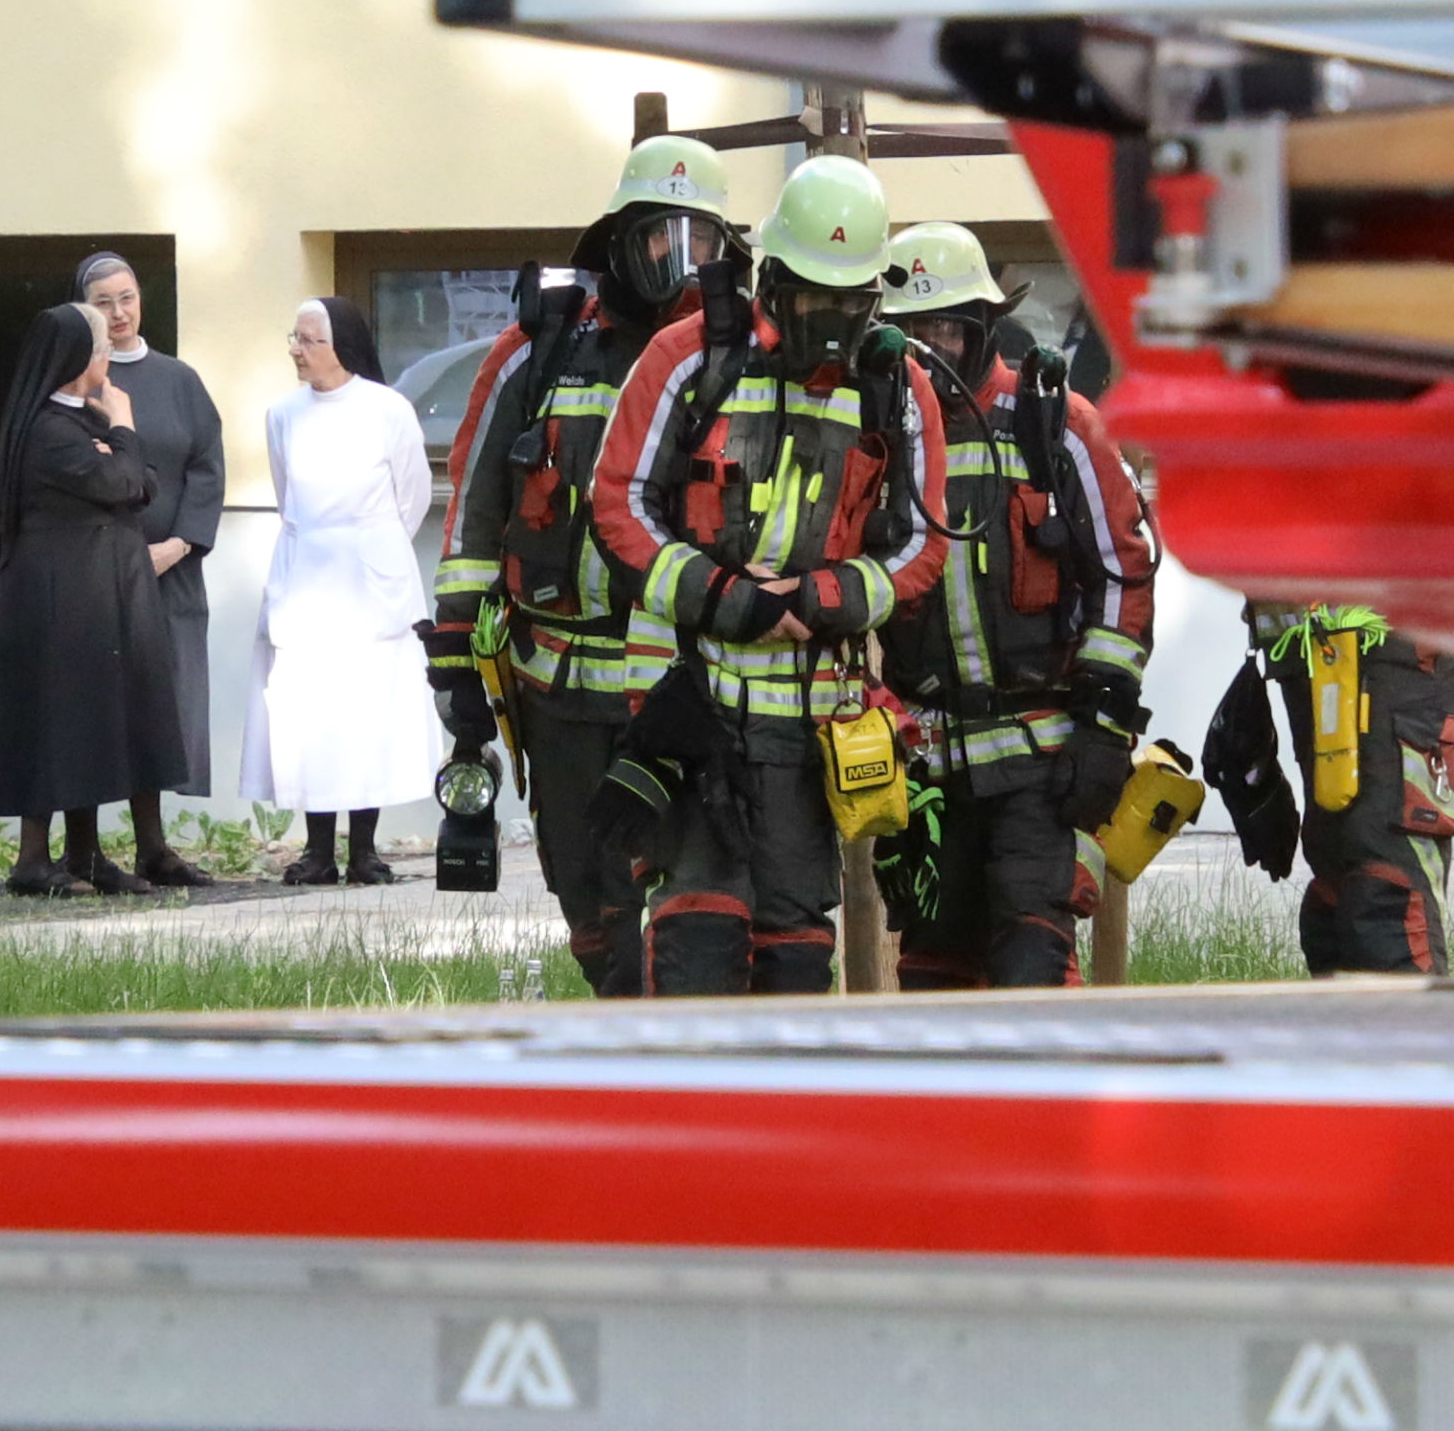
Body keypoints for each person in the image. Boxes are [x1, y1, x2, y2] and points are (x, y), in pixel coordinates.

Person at [589, 156, 948, 995]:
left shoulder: (898, 388)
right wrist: (728, 599)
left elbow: (924, 546)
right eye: (815, 300)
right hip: (692, 706)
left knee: (795, 959)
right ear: (773, 278)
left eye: (850, 304)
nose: (833, 325)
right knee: (697, 947)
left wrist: (824, 597)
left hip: (810, 728)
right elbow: (617, 505)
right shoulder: (688, 357)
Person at [426, 134, 735, 993]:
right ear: (619, 240)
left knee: (687, 905)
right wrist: (456, 661)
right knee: (590, 905)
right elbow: (475, 512)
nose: (679, 261)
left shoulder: (734, 356)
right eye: (659, 236)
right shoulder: (540, 350)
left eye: (701, 240)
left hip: (685, 687)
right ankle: (621, 1025)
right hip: (557, 689)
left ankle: (674, 1050)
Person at [872, 225, 1158, 989]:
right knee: (933, 980)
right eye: (914, 331)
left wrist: (1104, 726)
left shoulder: (1057, 425)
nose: (931, 348)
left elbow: (1122, 574)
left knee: (1034, 967)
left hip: (1042, 765)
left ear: (983, 324)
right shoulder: (880, 436)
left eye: (947, 327)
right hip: (928, 770)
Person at [0, 303, 184, 895]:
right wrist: (124, 429)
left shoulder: (81, 419)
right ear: (75, 359)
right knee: (53, 721)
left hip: (89, 591)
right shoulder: (49, 430)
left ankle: (85, 854)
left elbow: (143, 482)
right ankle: (32, 862)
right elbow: (122, 480)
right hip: (56, 597)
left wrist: (118, 451)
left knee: (85, 721)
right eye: (99, 349)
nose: (108, 358)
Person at [241, 296, 443, 882]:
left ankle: (364, 850)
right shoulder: (283, 414)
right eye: (295, 338)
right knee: (311, 713)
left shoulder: (388, 409)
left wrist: (370, 548)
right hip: (305, 578)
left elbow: (412, 496)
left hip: (371, 581)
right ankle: (317, 851)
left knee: (367, 712)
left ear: (342, 347)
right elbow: (286, 492)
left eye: (309, 340)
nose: (296, 351)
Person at [1206, 597, 1454, 973]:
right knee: (1345, 888)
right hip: (1328, 646)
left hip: (1381, 649)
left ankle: (1399, 1011)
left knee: (1378, 888)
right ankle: (1365, 1011)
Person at [77, 252, 227, 887]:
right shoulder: (79, 380)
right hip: (97, 571)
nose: (118, 313)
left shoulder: (179, 379)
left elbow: (207, 466)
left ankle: (154, 847)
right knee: (94, 705)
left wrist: (180, 544)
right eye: (103, 302)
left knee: (162, 705)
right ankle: (83, 848)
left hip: (172, 574)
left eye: (127, 298)